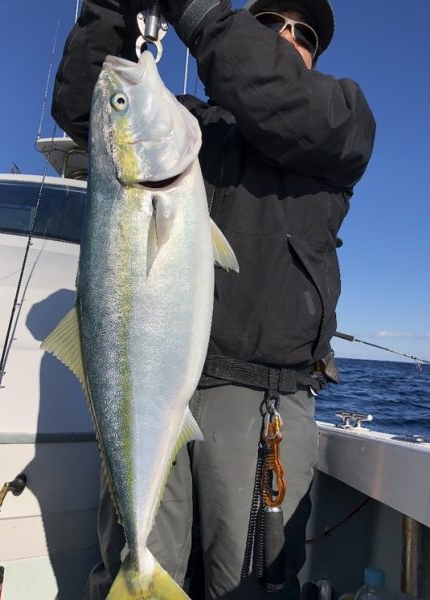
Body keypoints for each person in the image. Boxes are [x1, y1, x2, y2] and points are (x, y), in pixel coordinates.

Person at [52, 0, 375, 598]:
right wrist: (114, 10)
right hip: (155, 385)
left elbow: (277, 99)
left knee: (247, 586)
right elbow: (87, 106)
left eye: (303, 34)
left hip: (261, 404)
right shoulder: (191, 129)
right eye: (270, 22)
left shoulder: (340, 117)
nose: (286, 35)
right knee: (139, 560)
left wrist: (199, 12)